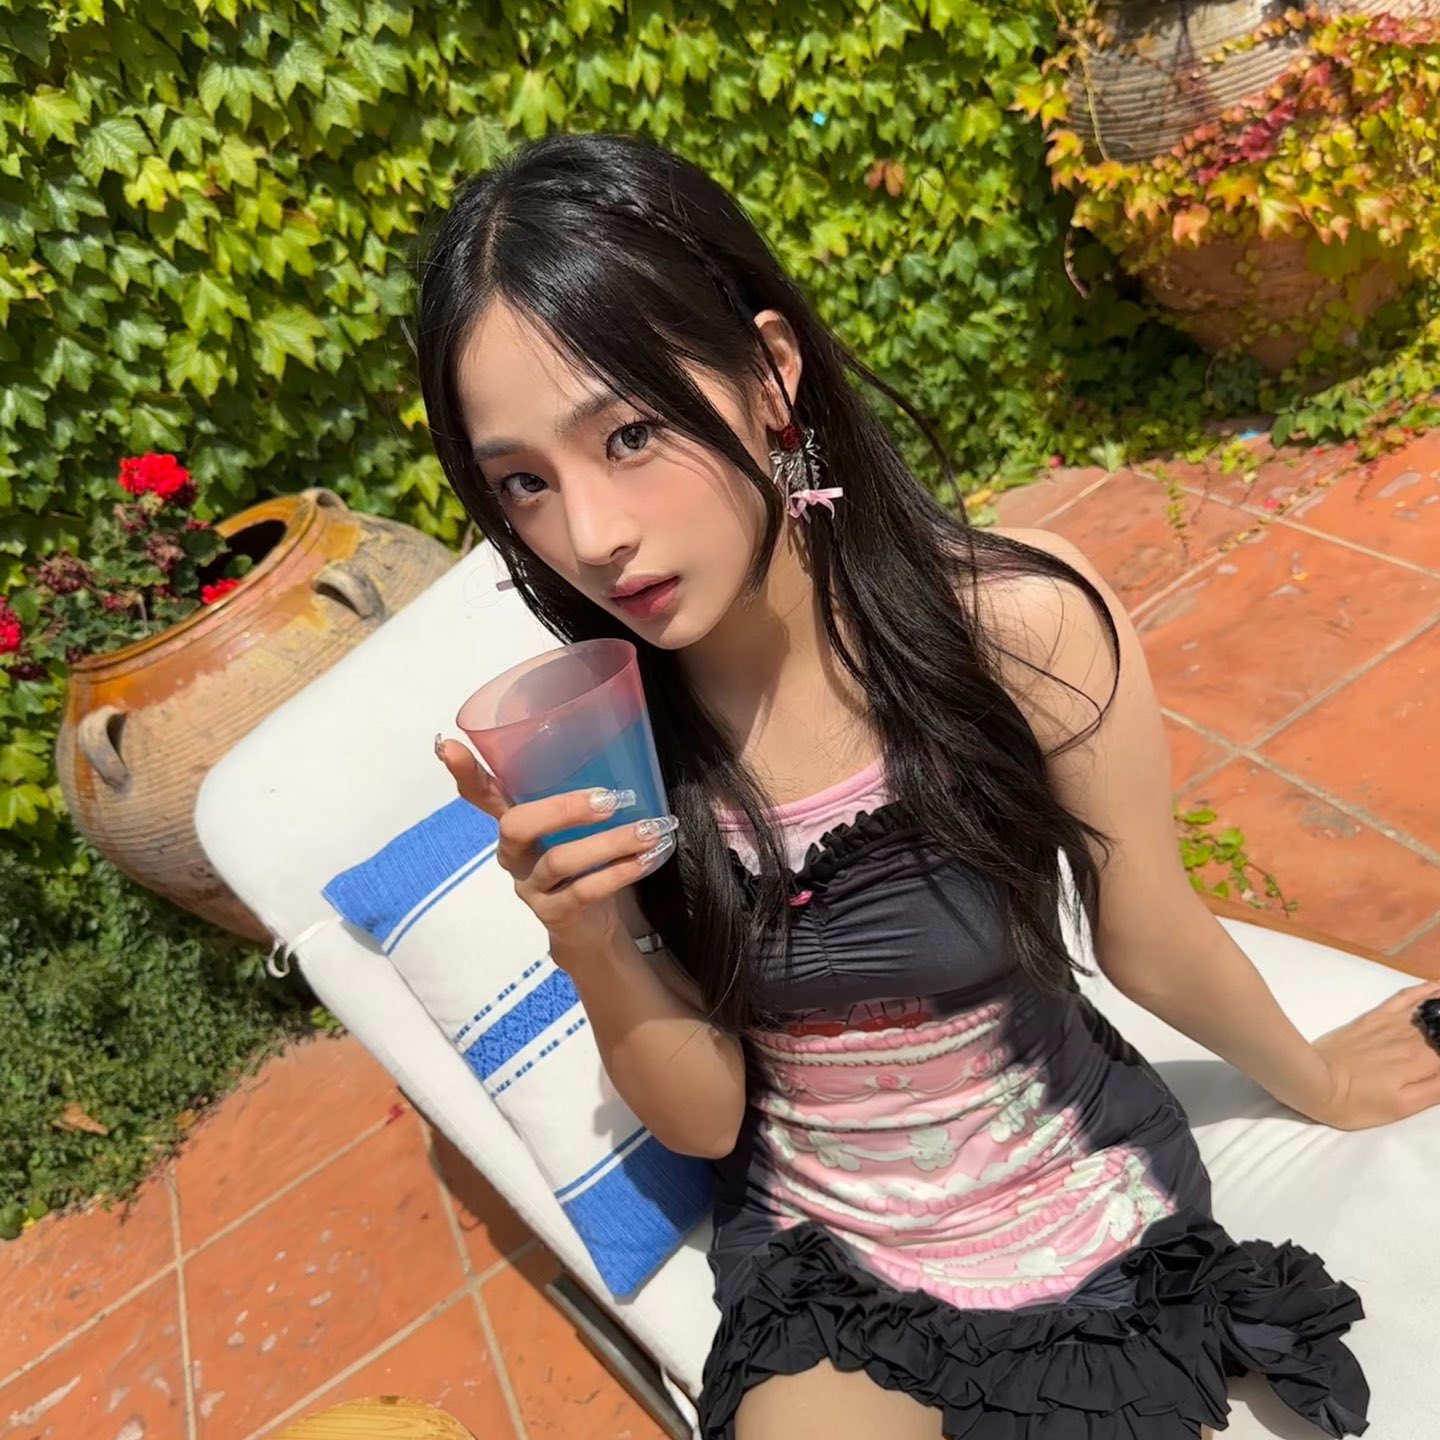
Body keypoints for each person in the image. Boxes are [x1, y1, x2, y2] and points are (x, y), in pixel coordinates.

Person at [419, 131, 1440, 1440]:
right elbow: (710, 1116)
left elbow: (1148, 928)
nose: (591, 535)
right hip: (826, 1261)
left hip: (1075, 1195)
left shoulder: (1012, 631)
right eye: (524, 483)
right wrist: (591, 935)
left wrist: (1319, 1082)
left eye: (630, 433)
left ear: (769, 374)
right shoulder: (617, 741)